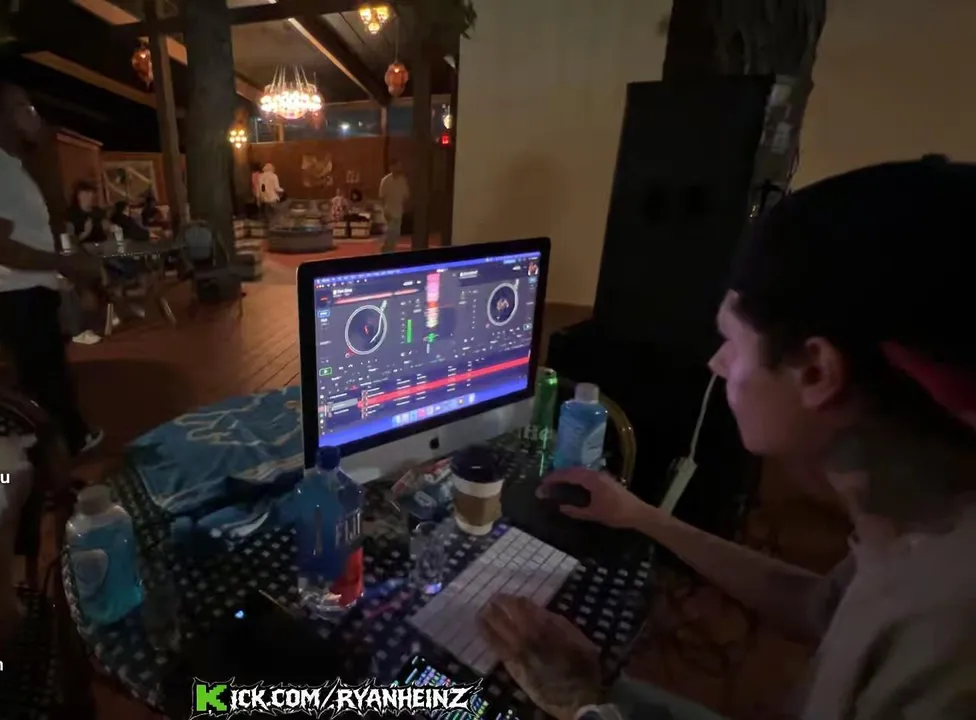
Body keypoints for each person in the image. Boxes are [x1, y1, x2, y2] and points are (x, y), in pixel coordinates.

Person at [480, 158, 976, 719]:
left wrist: (583, 704)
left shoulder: (948, 656)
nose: (718, 363)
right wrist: (642, 516)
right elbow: (823, 605)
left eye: (733, 341)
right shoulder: (914, 522)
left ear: (816, 372)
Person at [0, 80, 103, 456]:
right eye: (22, 108)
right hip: (12, 293)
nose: (33, 116)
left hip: (31, 289)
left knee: (49, 375)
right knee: (40, 380)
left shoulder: (10, 166)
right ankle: (57, 455)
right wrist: (64, 262)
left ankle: (67, 442)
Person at [378, 160, 409, 253]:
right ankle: (384, 252)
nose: (398, 168)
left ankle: (391, 252)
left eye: (399, 166)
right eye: (395, 166)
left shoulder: (402, 180)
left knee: (395, 235)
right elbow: (382, 197)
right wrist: (384, 210)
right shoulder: (385, 181)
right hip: (388, 212)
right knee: (388, 234)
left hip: (398, 211)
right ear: (391, 167)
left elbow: (406, 195)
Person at [66, 180, 108, 247]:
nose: (90, 196)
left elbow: (106, 233)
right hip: (82, 250)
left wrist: (108, 229)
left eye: (92, 193)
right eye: (87, 193)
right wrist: (85, 232)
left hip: (102, 247)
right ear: (78, 195)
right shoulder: (70, 214)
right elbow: (70, 242)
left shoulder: (99, 211)